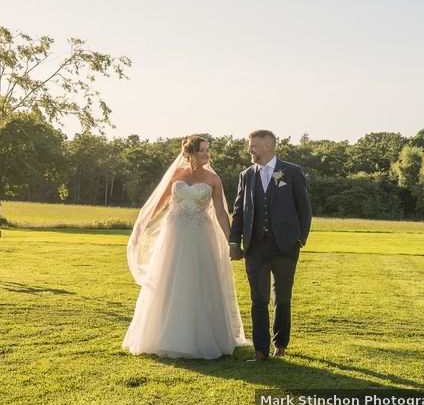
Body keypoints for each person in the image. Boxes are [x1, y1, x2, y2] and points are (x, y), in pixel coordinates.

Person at [123, 136, 248, 359]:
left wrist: (231, 241)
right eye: (202, 150)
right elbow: (160, 203)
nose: (207, 154)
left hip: (200, 236)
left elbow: (220, 212)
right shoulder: (176, 175)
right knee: (169, 280)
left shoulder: (213, 179)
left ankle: (201, 336)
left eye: (208, 150)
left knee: (198, 282)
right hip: (173, 236)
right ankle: (164, 335)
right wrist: (141, 225)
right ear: (190, 152)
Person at [229, 130, 312, 363]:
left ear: (268, 146)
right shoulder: (246, 175)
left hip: (286, 246)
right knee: (258, 299)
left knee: (282, 298)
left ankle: (280, 344)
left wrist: (299, 240)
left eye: (253, 146)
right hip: (255, 247)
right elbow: (239, 211)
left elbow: (304, 209)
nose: (249, 150)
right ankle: (260, 350)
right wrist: (235, 241)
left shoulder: (292, 172)